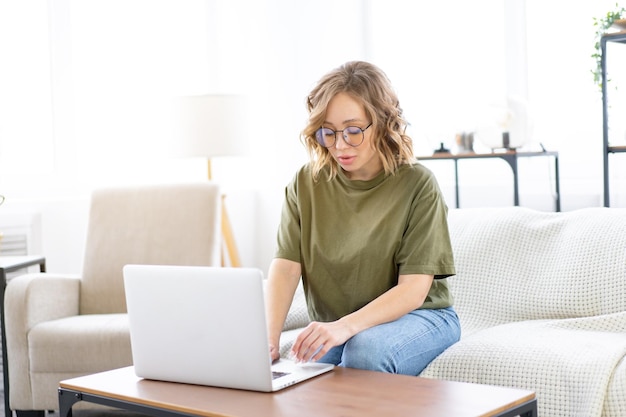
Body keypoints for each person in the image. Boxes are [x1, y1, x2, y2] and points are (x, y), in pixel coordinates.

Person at [265, 61, 460, 376]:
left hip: (422, 317)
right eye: (328, 132)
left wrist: (344, 328)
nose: (340, 145)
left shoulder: (417, 184)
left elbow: (413, 289)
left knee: (364, 350)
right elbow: (286, 268)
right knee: (306, 371)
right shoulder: (305, 183)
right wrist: (269, 338)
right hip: (342, 323)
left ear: (381, 123)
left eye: (353, 131)